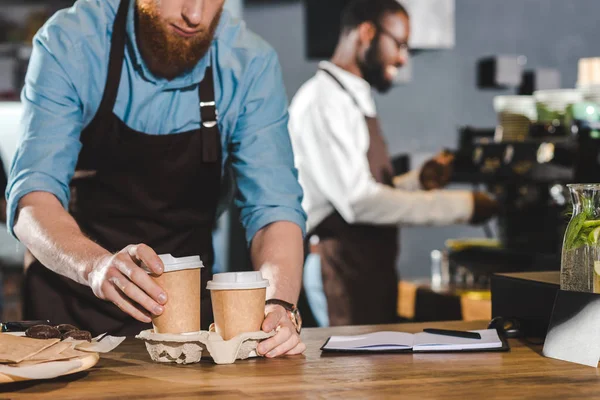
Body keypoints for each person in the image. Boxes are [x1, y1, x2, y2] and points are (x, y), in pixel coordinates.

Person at [6, 0, 306, 358]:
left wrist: (279, 304)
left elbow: (275, 211)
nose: (195, 15)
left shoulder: (249, 63)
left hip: (183, 322)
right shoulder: (72, 41)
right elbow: (33, 200)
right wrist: (96, 266)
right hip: (70, 309)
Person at [288, 0, 499, 326]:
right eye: (399, 44)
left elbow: (360, 188)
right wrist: (463, 206)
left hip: (368, 267)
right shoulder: (323, 101)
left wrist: (417, 182)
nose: (402, 58)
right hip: (340, 266)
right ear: (367, 33)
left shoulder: (350, 96)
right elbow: (357, 203)